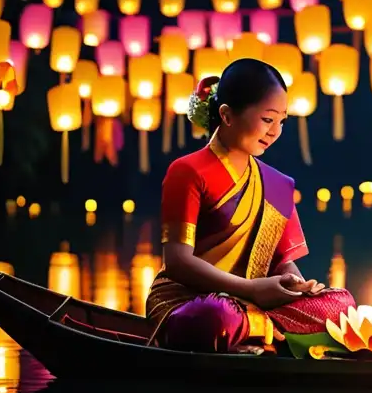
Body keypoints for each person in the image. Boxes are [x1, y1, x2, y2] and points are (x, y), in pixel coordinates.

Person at [146, 58, 355, 353]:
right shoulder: (187, 171)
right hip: (191, 303)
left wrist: (292, 285)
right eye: (268, 119)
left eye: (282, 121)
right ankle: (263, 334)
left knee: (340, 304)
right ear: (227, 115)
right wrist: (252, 289)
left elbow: (281, 261)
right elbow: (178, 262)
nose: (275, 131)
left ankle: (255, 333)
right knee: (215, 317)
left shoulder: (277, 185)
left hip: (254, 303)